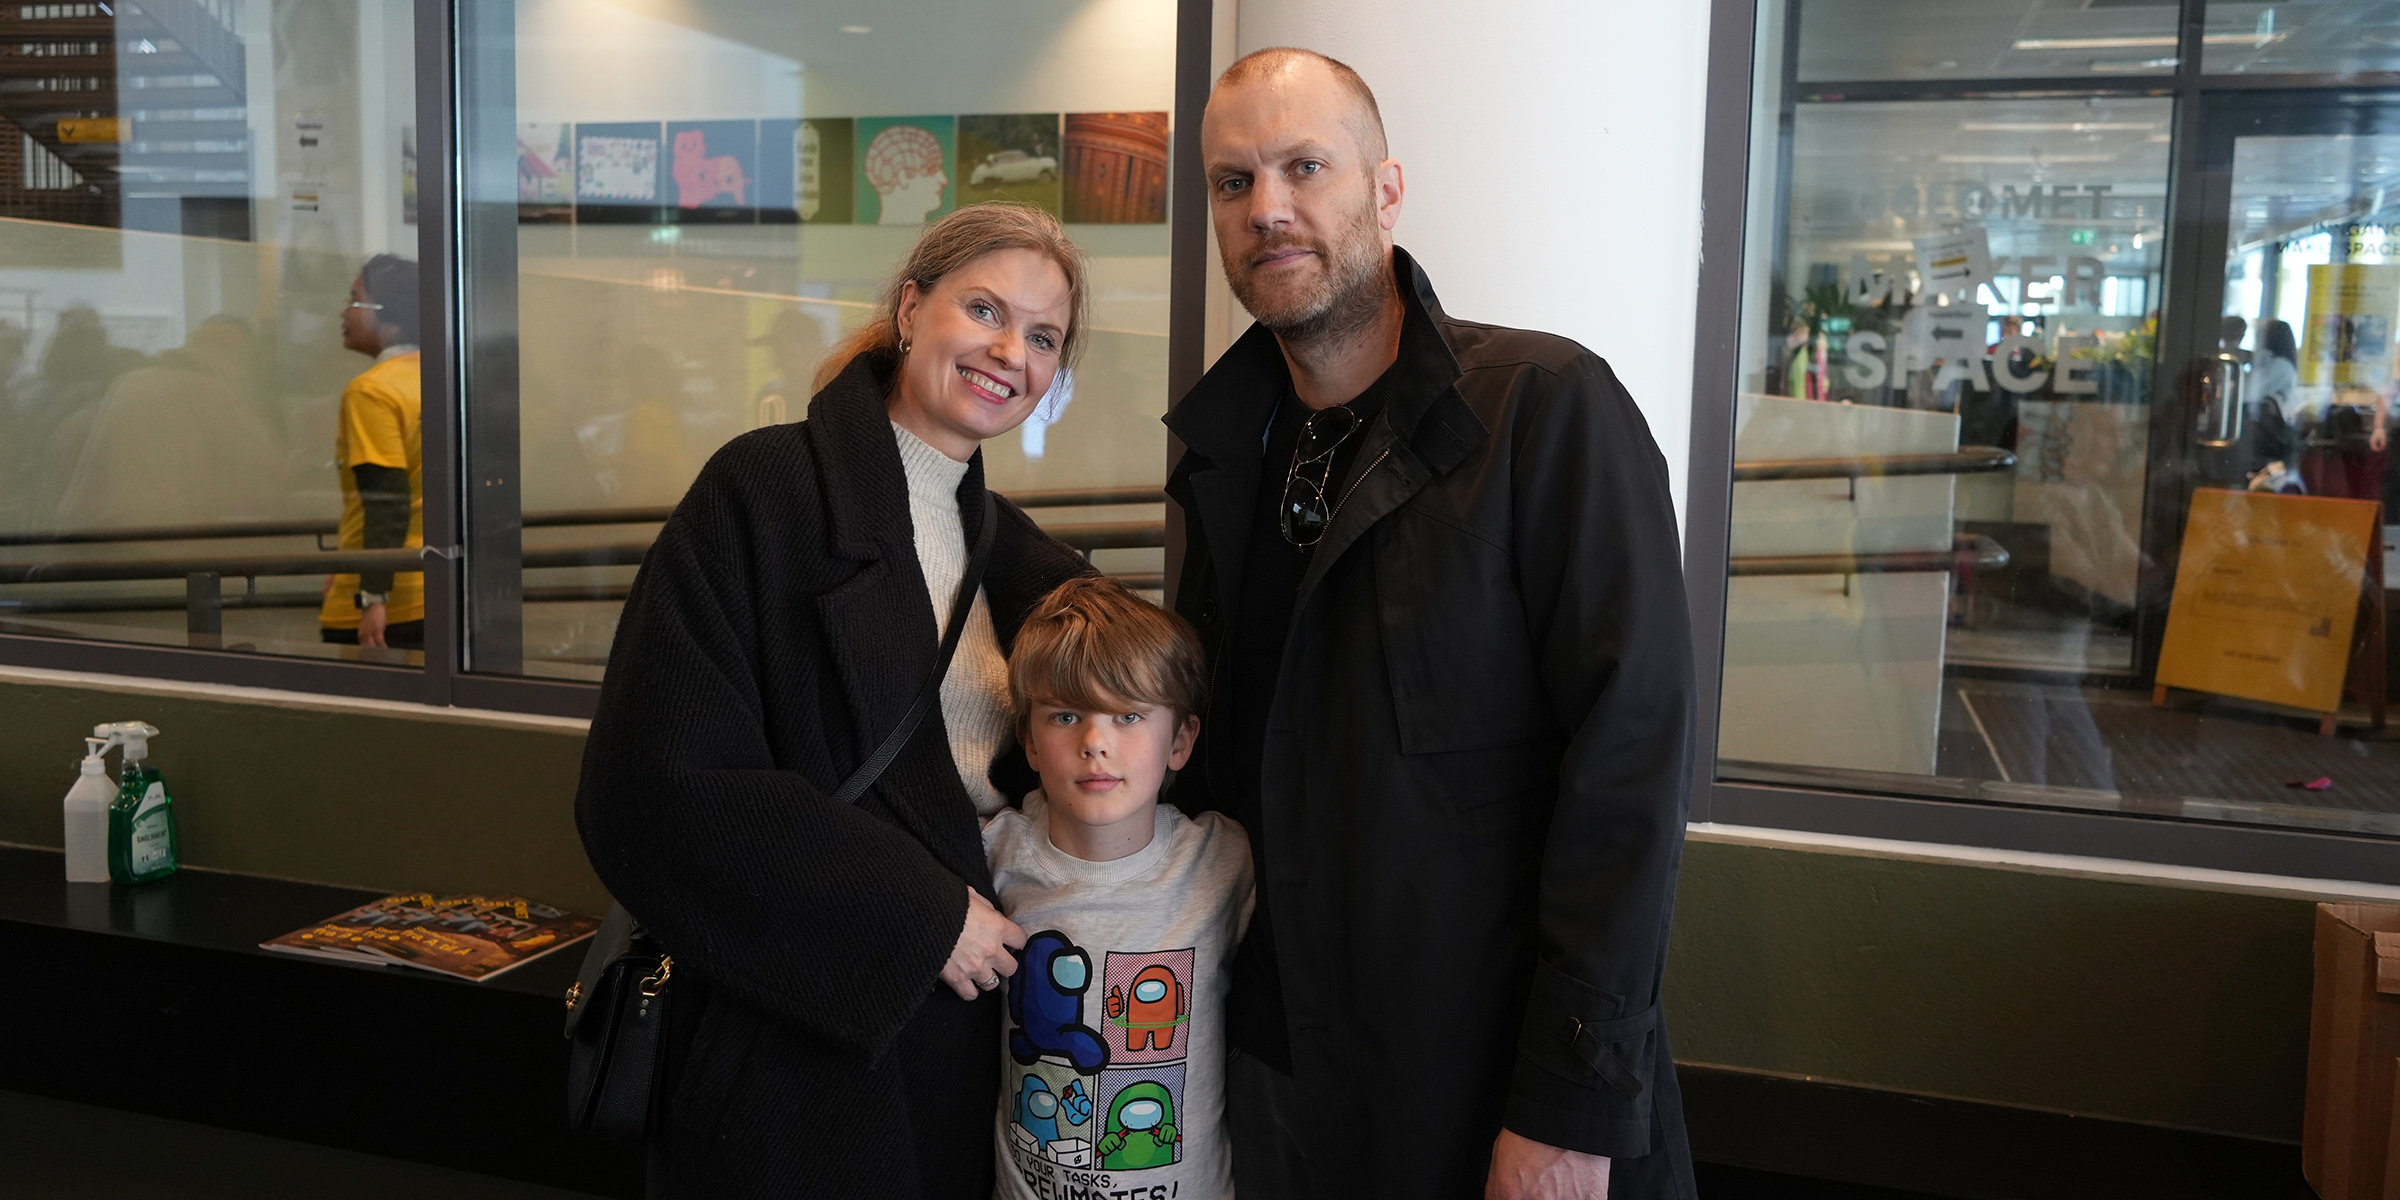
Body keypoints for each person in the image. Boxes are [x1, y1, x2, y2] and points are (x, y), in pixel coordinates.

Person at [1166, 48, 1695, 1199]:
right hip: (1272, 1081)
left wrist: (1569, 1110)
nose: (1268, 210)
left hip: (1489, 1091)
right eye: (1232, 181)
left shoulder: (1545, 412)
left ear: (1387, 189)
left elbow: (1630, 776)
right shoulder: (1224, 456)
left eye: (1306, 167)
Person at [575, 203, 1097, 1198]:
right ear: (910, 309)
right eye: (983, 308)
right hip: (795, 1046)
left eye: (1041, 336)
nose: (1008, 351)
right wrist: (917, 913)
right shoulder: (762, 494)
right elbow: (654, 783)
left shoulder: (1022, 556)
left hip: (963, 1046)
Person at [984, 575, 1253, 1200]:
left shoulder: (1223, 859)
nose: (1096, 743)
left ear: (1180, 740)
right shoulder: (994, 854)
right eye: (1066, 715)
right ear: (1028, 738)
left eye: (1128, 715)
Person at [318, 255, 426, 652]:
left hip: (384, 607)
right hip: (436, 590)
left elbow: (387, 499)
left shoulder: (372, 391)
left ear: (390, 317)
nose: (344, 311)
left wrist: (372, 596)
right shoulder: (440, 379)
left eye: (354, 299)